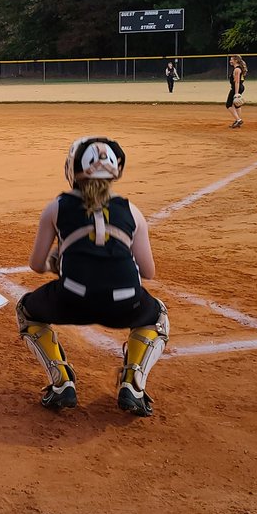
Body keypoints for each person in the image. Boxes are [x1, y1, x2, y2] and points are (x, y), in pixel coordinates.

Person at [16, 137, 169, 417]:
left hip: (72, 300)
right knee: (157, 315)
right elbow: (148, 272)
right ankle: (133, 383)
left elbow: (36, 264)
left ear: (73, 170)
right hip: (125, 304)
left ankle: (61, 381)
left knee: (26, 310)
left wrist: (56, 263)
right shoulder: (132, 210)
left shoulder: (57, 207)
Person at [226, 54, 247, 128]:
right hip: (240, 87)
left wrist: (236, 94)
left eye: (231, 60)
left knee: (228, 105)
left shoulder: (237, 69)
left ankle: (238, 120)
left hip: (236, 88)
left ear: (236, 60)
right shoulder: (238, 68)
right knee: (237, 105)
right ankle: (238, 120)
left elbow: (237, 82)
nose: (230, 61)